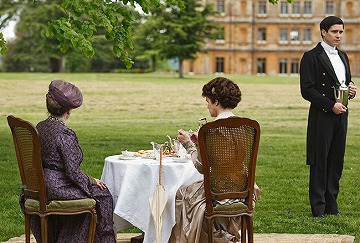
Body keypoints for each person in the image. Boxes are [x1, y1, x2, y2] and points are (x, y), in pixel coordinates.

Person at [20, 80, 116, 243]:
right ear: (69, 111)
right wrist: (92, 181)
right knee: (103, 194)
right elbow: (72, 172)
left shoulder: (41, 126)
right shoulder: (64, 134)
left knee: (91, 192)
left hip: (37, 184)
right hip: (56, 188)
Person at [169, 77, 260, 243]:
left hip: (218, 192)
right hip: (245, 189)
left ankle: (194, 239)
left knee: (181, 193)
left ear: (216, 101)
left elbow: (202, 168)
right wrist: (201, 143)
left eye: (208, 101)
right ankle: (223, 236)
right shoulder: (246, 126)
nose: (207, 106)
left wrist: (189, 145)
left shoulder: (210, 130)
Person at [300, 16, 357, 218]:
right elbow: (306, 90)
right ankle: (318, 207)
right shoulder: (311, 56)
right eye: (334, 31)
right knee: (320, 161)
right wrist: (330, 105)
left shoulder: (343, 57)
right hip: (322, 114)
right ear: (323, 32)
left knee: (336, 161)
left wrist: (351, 90)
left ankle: (332, 205)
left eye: (341, 32)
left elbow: (345, 83)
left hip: (342, 114)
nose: (338, 35)